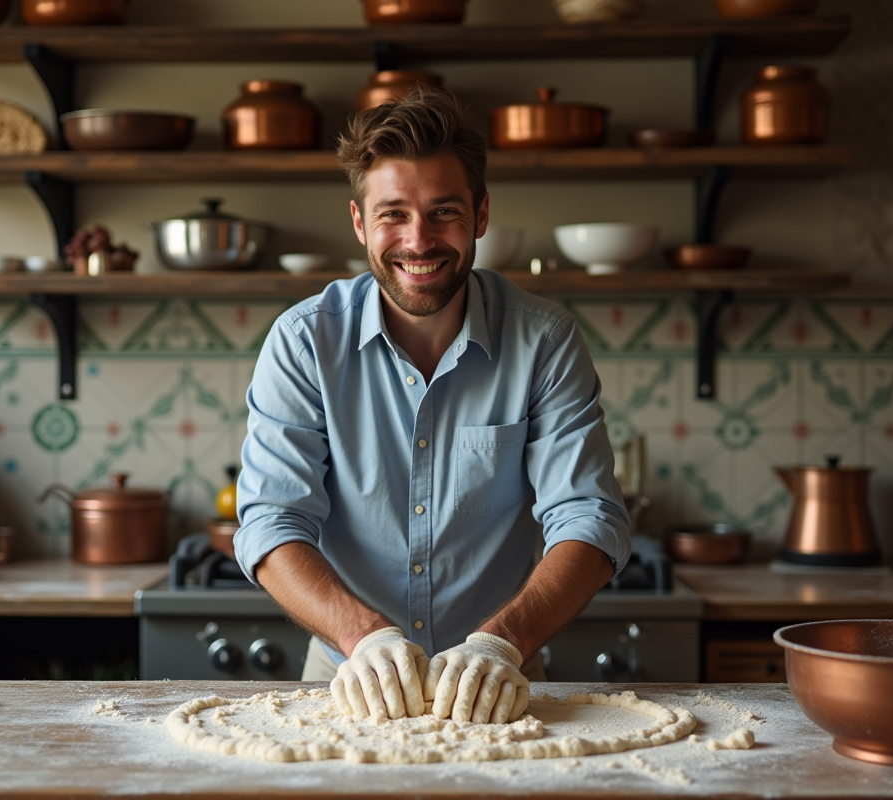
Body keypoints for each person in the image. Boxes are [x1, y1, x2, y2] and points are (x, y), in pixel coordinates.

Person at [234, 86, 630, 727]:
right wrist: (364, 637)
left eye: (443, 211)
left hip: (500, 678)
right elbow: (271, 522)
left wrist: (502, 643)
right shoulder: (304, 341)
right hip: (347, 676)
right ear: (359, 222)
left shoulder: (544, 340)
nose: (418, 241)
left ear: (480, 215)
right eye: (393, 214)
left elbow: (588, 516)